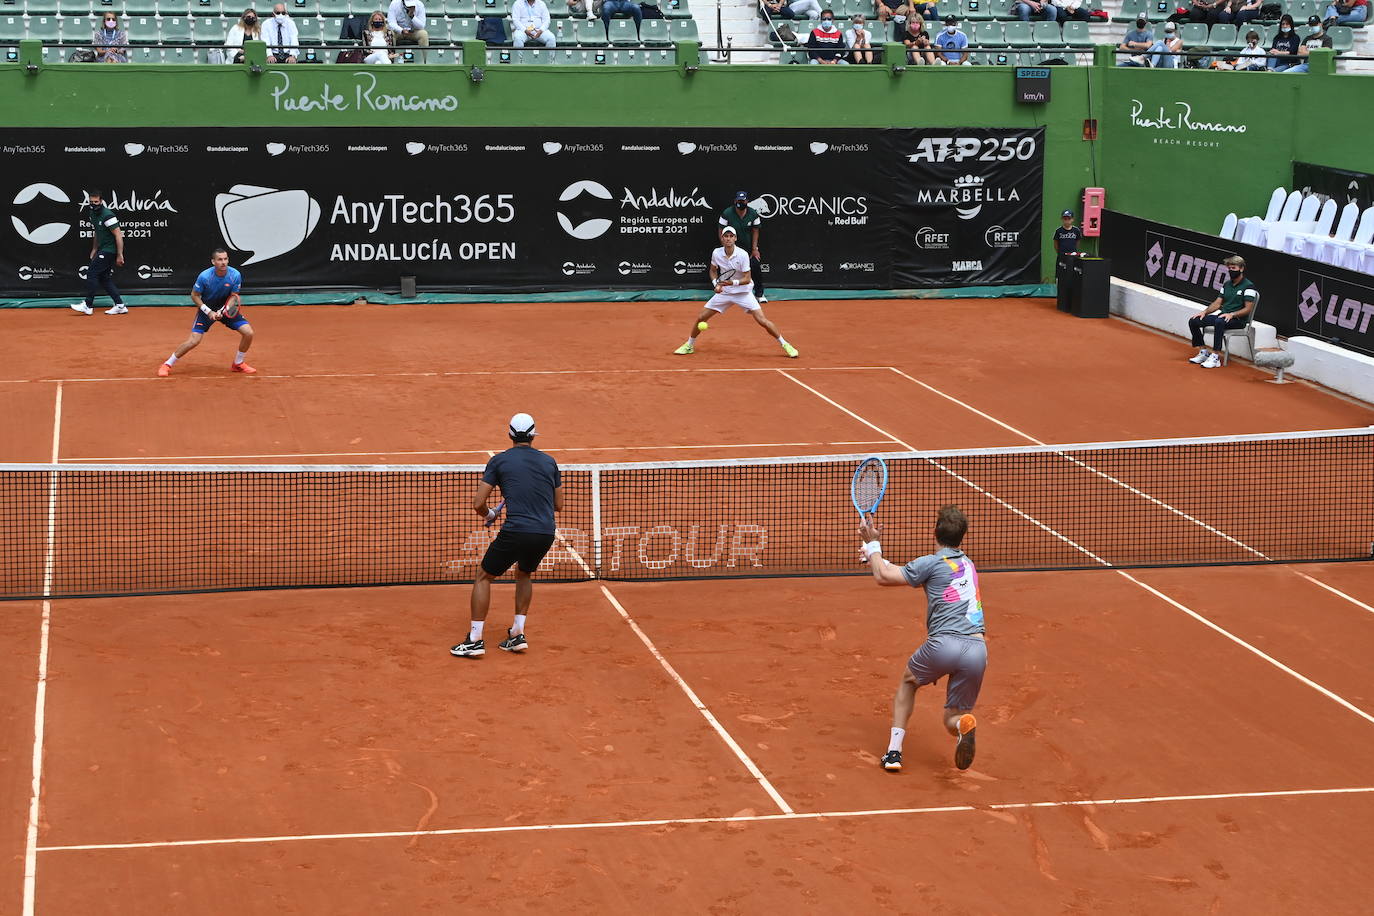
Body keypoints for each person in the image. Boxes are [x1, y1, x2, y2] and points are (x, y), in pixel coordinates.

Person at [860, 505, 986, 773]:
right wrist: (874, 556)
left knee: (908, 682)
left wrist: (873, 546)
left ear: (935, 532)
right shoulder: (968, 565)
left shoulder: (930, 562)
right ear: (962, 535)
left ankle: (894, 752)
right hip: (977, 650)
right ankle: (964, 725)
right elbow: (906, 572)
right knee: (952, 717)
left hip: (944, 645)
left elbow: (884, 577)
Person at [451, 413, 563, 659]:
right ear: (533, 435)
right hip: (545, 532)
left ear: (510, 434)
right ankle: (517, 634)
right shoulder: (550, 462)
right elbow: (558, 504)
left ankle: (474, 640)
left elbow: (478, 502)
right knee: (524, 574)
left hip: (516, 530)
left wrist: (490, 513)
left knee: (483, 576)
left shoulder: (499, 462)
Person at [673, 227, 799, 358]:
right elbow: (712, 271)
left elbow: (747, 278)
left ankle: (785, 344)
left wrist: (732, 283)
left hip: (743, 293)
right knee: (701, 318)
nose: (728, 238)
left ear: (735, 238)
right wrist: (715, 284)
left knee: (762, 320)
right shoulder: (716, 253)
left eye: (731, 236)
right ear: (722, 238)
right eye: (726, 236)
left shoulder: (742, 254)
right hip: (725, 293)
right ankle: (689, 345)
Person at [158, 248, 256, 376]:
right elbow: (194, 295)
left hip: (226, 308)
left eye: (225, 259)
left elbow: (233, 296)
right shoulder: (205, 276)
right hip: (206, 308)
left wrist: (224, 310)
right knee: (194, 341)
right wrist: (208, 311)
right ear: (213, 262)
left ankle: (238, 363)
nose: (223, 262)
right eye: (220, 259)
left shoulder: (235, 275)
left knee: (248, 333)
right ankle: (167, 364)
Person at [1186, 255, 1257, 369]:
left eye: (1233, 268)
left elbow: (1248, 309)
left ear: (1241, 268)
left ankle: (1215, 356)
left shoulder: (1249, 286)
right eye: (1229, 268)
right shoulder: (1227, 284)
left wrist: (1232, 314)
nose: (1231, 271)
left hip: (1238, 320)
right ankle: (1203, 352)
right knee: (1194, 321)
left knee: (1219, 321)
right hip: (1222, 317)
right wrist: (1205, 312)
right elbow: (1217, 303)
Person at [69, 190, 128, 317]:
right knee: (104, 278)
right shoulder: (92, 213)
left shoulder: (108, 215)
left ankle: (88, 305)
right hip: (102, 249)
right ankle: (120, 305)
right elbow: (97, 231)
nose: (93, 204)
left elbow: (118, 235)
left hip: (110, 250)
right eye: (91, 202)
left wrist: (120, 254)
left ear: (101, 201)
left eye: (96, 202)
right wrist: (94, 249)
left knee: (92, 273)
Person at [719, 191, 767, 303]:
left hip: (748, 250)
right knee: (725, 269)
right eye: (739, 201)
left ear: (747, 201)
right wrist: (725, 248)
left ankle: (759, 294)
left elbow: (756, 231)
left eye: (743, 201)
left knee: (755, 266)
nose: (741, 203)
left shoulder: (753, 214)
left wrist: (755, 249)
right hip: (731, 250)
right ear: (735, 201)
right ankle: (723, 292)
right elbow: (721, 231)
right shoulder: (727, 213)